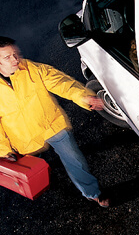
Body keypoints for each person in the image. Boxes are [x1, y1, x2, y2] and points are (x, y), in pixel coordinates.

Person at [0, 36, 110, 207]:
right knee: (36, 167)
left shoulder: (31, 68)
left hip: (51, 124)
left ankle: (92, 193)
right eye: (7, 57)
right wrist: (4, 151)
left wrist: (83, 96)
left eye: (15, 53)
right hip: (24, 139)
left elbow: (60, 82)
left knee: (74, 160)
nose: (16, 60)